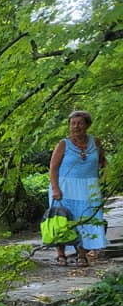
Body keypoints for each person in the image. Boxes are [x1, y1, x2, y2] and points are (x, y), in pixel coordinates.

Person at [48, 110, 107, 266]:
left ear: (87, 125)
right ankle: (61, 254)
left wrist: (104, 173)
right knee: (63, 219)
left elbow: (102, 161)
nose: (76, 126)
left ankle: (82, 254)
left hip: (89, 188)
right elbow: (53, 168)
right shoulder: (63, 144)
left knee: (86, 220)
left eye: (80, 123)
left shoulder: (96, 142)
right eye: (73, 123)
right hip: (65, 188)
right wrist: (55, 189)